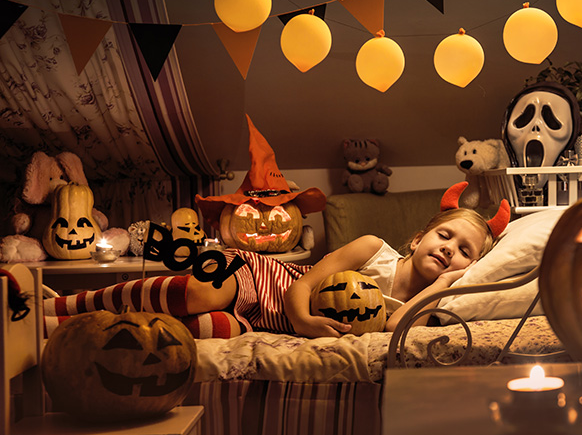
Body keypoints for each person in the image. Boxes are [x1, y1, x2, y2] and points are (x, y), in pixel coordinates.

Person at [44, 182, 509, 339]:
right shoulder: (372, 249)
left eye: (464, 252)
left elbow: (392, 328)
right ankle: (65, 305)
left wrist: (445, 285)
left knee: (209, 331)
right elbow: (303, 284)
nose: (450, 249)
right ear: (418, 237)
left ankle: (64, 331)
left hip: (265, 324)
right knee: (206, 290)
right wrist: (305, 320)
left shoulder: (425, 304)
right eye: (445, 235)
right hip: (269, 282)